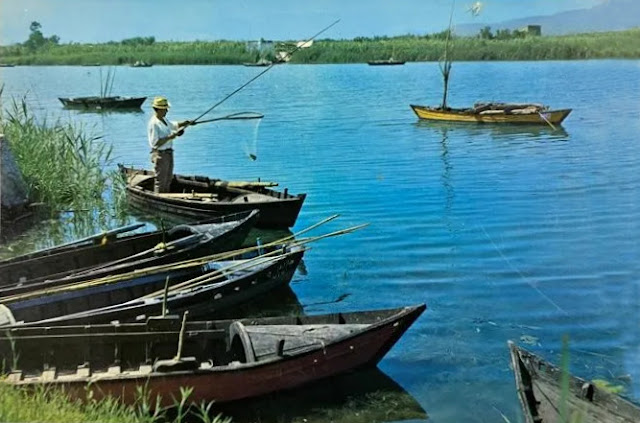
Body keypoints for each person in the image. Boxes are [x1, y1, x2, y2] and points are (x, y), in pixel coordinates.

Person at [147, 96, 192, 193]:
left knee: (168, 179)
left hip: (168, 153)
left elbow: (174, 125)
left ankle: (165, 195)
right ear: (158, 110)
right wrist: (170, 137)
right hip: (160, 154)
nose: (167, 111)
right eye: (165, 109)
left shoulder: (164, 120)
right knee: (160, 180)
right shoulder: (154, 123)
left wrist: (185, 123)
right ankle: (158, 199)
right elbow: (155, 143)